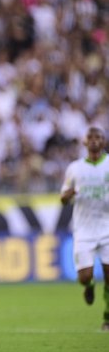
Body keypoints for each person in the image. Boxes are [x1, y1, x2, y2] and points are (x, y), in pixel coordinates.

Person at [60, 125, 109, 331]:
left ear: (103, 141)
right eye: (91, 137)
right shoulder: (75, 168)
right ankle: (88, 288)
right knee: (85, 276)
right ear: (85, 142)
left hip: (107, 227)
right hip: (84, 230)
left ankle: (107, 317)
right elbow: (63, 198)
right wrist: (67, 195)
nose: (95, 140)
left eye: (98, 137)